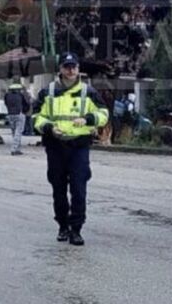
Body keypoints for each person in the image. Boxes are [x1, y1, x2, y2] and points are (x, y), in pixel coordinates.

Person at [33, 52, 109, 246]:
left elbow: (103, 113)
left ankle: (76, 229)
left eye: (73, 66)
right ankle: (62, 226)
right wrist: (49, 127)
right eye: (67, 67)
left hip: (79, 146)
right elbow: (36, 117)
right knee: (58, 189)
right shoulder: (47, 92)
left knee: (78, 189)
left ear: (78, 69)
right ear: (60, 69)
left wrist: (89, 119)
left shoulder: (88, 92)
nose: (70, 70)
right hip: (55, 146)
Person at [3, 82, 30, 155]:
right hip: (19, 113)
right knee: (18, 132)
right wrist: (25, 111)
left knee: (14, 132)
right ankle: (14, 149)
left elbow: (6, 103)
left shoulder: (7, 96)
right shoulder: (20, 95)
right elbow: (26, 104)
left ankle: (17, 148)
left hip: (10, 114)